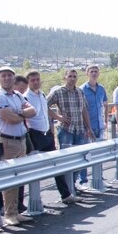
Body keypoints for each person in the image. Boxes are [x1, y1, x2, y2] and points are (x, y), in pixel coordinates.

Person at [0, 66, 36, 225]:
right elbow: (9, 118)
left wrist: (19, 114)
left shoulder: (17, 95)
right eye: (4, 76)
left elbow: (33, 111)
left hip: (21, 139)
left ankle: (16, 211)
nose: (7, 78)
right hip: (8, 141)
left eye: (10, 75)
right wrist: (21, 114)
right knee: (9, 179)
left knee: (19, 178)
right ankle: (9, 214)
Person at [29, 71, 77, 204]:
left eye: (37, 79)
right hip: (34, 134)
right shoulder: (26, 97)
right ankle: (34, 202)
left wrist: (57, 118)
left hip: (46, 134)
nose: (36, 82)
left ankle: (66, 195)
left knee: (56, 165)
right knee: (33, 170)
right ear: (28, 82)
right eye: (32, 80)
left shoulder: (41, 94)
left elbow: (46, 109)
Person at [77, 64, 108, 189]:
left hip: (99, 125)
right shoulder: (82, 89)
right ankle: (83, 180)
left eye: (96, 71)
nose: (94, 73)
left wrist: (105, 121)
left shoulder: (101, 89)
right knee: (85, 153)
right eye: (91, 71)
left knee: (98, 153)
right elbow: (81, 109)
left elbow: (105, 105)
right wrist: (85, 126)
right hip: (86, 126)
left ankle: (98, 177)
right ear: (87, 73)